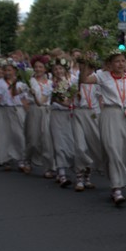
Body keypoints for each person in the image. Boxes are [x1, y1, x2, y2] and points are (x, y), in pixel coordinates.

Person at [79, 50, 126, 205]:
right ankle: (116, 187)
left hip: (125, 115)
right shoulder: (103, 76)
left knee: (125, 149)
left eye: (122, 61)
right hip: (109, 114)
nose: (120, 64)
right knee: (112, 149)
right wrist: (86, 63)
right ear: (110, 64)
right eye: (117, 61)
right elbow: (85, 79)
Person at [0, 59, 29, 171]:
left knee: (19, 134)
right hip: (5, 110)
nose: (7, 73)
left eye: (9, 70)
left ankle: (22, 158)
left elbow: (24, 99)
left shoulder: (21, 83)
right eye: (5, 70)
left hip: (17, 109)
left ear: (15, 71)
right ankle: (6, 158)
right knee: (4, 135)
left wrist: (27, 112)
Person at [71, 54, 103, 192]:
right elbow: (68, 98)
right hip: (79, 112)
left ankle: (87, 177)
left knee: (92, 145)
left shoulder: (96, 81)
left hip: (93, 114)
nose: (86, 69)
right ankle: (79, 176)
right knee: (80, 146)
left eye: (89, 66)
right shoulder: (74, 81)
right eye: (83, 66)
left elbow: (101, 99)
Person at [24, 55, 55, 178]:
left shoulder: (51, 83)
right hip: (34, 110)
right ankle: (28, 159)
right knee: (33, 139)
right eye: (36, 67)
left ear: (45, 68)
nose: (38, 69)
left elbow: (47, 98)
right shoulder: (30, 81)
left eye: (40, 67)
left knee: (47, 140)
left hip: (47, 110)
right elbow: (19, 92)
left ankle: (49, 167)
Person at [49, 56, 77, 188]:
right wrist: (57, 99)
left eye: (60, 68)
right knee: (58, 142)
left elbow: (75, 97)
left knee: (71, 141)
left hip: (70, 115)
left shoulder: (72, 81)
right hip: (56, 114)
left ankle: (74, 167)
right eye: (55, 69)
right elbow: (49, 100)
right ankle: (61, 172)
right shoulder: (50, 83)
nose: (58, 71)